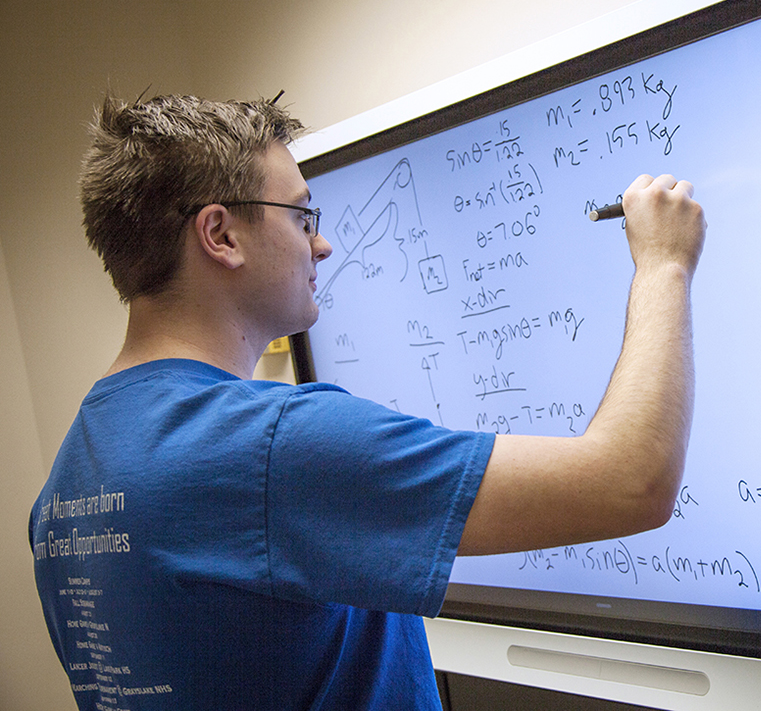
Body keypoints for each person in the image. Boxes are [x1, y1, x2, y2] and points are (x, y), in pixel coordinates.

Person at [28, 93, 705, 710]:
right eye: (300, 214)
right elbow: (631, 482)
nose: (321, 241)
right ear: (221, 235)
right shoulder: (269, 447)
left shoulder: (72, 477)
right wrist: (664, 264)